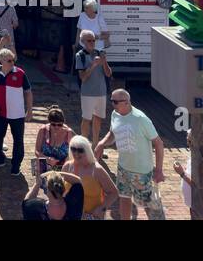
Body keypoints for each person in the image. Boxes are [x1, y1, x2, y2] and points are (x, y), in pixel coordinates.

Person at [95, 90, 166, 220]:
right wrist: (102, 143)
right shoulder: (115, 114)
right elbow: (112, 134)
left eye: (115, 102)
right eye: (111, 101)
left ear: (126, 102)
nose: (112, 104)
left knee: (149, 206)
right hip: (123, 169)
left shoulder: (141, 119)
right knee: (124, 198)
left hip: (142, 172)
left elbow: (159, 143)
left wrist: (159, 170)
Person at [0, 48, 33, 175]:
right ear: (1, 61)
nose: (12, 62)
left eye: (13, 60)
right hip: (0, 112)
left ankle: (16, 165)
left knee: (18, 140)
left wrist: (29, 110)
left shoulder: (20, 73)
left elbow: (28, 92)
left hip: (17, 114)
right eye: (9, 60)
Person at [63, 135, 119, 220]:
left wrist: (102, 208)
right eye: (73, 149)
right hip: (69, 214)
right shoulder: (67, 166)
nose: (76, 153)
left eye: (80, 150)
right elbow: (61, 190)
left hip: (90, 216)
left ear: (87, 151)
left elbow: (114, 193)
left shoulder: (96, 170)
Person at [74, 29, 113, 142]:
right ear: (83, 42)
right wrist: (93, 65)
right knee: (86, 119)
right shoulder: (79, 55)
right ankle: (84, 145)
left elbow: (108, 73)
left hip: (101, 92)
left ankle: (95, 146)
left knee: (98, 119)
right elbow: (83, 78)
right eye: (89, 40)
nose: (92, 42)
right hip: (88, 93)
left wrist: (104, 61)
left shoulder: (99, 53)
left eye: (94, 40)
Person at [35, 107, 74, 174]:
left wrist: (64, 165)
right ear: (49, 122)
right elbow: (37, 151)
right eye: (53, 124)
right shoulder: (43, 130)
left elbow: (71, 154)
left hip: (63, 165)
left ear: (63, 123)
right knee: (38, 162)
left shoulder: (68, 132)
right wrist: (47, 159)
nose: (56, 127)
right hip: (46, 163)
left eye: (59, 125)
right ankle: (39, 183)